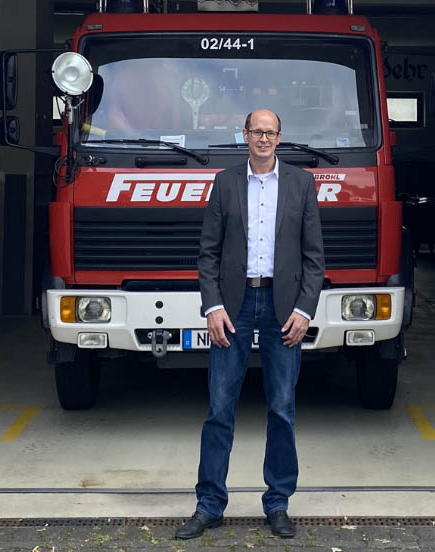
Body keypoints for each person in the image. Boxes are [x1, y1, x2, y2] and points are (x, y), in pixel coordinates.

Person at [176, 109, 325, 540]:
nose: (263, 138)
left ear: (280, 137)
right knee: (220, 408)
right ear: (245, 135)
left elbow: (314, 257)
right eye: (256, 131)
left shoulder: (301, 184)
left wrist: (304, 310)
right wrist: (213, 307)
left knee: (281, 408)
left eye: (270, 132)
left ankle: (277, 504)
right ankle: (209, 506)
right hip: (234, 306)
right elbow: (208, 253)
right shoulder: (225, 183)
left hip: (283, 307)